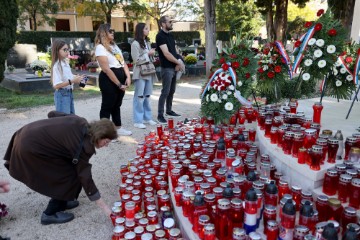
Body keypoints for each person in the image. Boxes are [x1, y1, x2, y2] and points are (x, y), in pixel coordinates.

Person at [3, 111, 117, 225]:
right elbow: (85, 176)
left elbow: (52, 114)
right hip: (30, 149)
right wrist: (106, 209)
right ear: (98, 135)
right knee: (66, 176)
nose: (106, 145)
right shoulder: (82, 146)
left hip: (24, 133)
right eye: (106, 141)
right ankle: (50, 213)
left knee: (69, 168)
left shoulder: (80, 121)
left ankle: (63, 200)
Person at [95, 23, 132, 136]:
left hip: (120, 74)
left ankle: (118, 127)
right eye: (110, 31)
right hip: (109, 79)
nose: (113, 32)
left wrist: (128, 77)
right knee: (107, 105)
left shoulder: (115, 46)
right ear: (103, 33)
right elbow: (106, 69)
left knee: (117, 104)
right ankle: (103, 132)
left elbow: (123, 62)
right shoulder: (100, 48)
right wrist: (118, 84)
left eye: (113, 30)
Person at [156, 15, 185, 124]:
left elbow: (174, 51)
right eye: (169, 22)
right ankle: (160, 115)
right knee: (165, 91)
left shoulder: (171, 36)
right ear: (163, 24)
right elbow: (167, 54)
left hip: (174, 67)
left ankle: (169, 110)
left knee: (172, 91)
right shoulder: (160, 36)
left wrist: (179, 61)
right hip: (167, 68)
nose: (171, 23)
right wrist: (178, 63)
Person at [131, 23, 158, 129]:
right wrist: (148, 54)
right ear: (141, 30)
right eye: (146, 29)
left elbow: (148, 57)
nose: (148, 30)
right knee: (139, 96)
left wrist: (151, 55)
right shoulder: (135, 44)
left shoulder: (147, 42)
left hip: (149, 72)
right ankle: (138, 120)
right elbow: (136, 60)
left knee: (147, 95)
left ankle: (147, 117)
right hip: (140, 73)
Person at [51, 40, 86, 114]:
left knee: (71, 117)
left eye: (68, 49)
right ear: (57, 51)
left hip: (69, 93)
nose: (67, 52)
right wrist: (72, 81)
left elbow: (68, 76)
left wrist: (77, 77)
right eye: (64, 50)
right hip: (62, 94)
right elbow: (56, 85)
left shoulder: (65, 63)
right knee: (64, 119)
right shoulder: (57, 66)